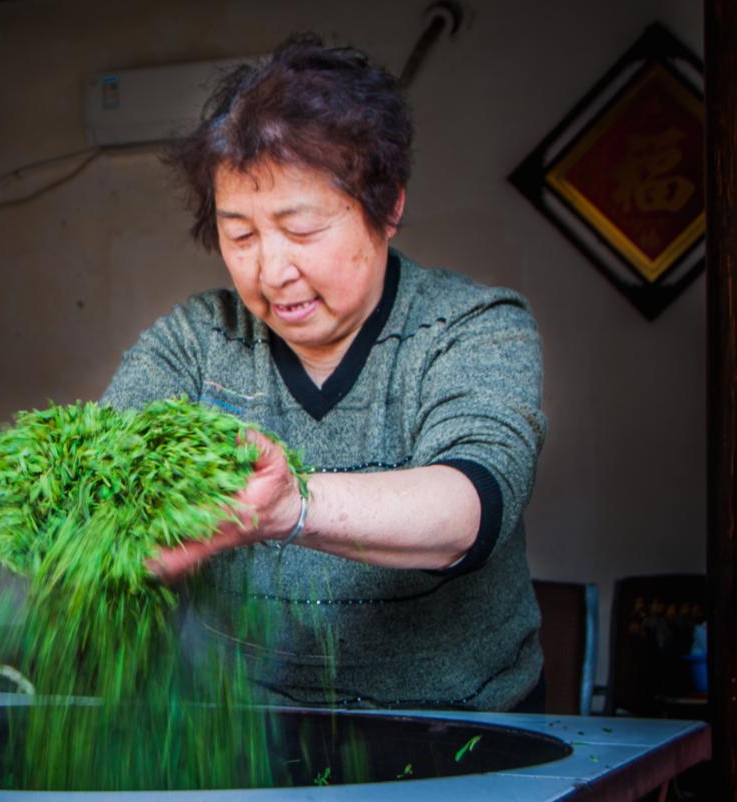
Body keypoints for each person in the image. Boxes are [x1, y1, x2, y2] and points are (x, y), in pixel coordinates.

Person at [97, 34, 547, 712]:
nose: (271, 271)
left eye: (301, 230)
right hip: (244, 735)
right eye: (240, 235)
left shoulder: (472, 327)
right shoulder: (196, 342)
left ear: (388, 206)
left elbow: (470, 505)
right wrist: (58, 507)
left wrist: (291, 506)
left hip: (464, 732)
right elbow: (111, 459)